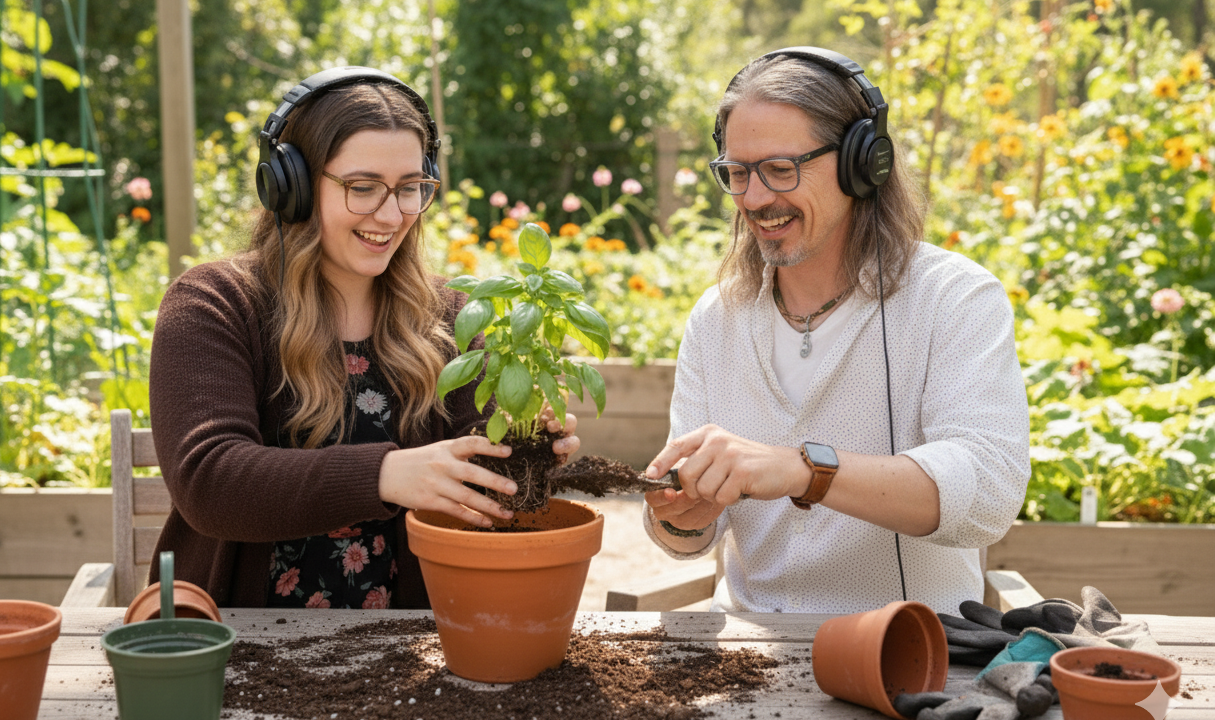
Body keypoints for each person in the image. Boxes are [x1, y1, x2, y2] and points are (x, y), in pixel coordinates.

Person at [147, 68, 579, 609]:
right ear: (293, 186)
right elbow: (209, 481)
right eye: (363, 187)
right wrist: (384, 474)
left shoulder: (452, 313)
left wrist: (525, 449)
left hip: (403, 646)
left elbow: (478, 483)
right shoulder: (215, 303)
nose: (392, 214)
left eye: (409, 188)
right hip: (239, 643)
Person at [640, 48, 1030, 615]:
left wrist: (804, 470)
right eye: (738, 173)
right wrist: (683, 520)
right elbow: (696, 537)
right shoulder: (716, 317)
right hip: (758, 655)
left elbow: (989, 493)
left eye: (780, 170)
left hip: (915, 659)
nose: (753, 199)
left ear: (860, 163)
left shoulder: (955, 298)